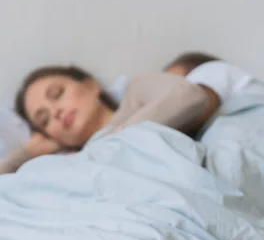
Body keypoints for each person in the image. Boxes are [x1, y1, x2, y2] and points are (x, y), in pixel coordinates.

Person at [0, 63, 221, 174]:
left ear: (90, 85)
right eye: (44, 120)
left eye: (57, 94)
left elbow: (189, 97)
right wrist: (25, 155)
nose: (55, 112)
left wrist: (105, 144)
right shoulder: (68, 161)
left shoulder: (137, 93)